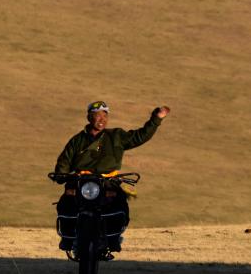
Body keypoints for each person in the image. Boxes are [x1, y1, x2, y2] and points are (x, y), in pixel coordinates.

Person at [53, 100, 170, 252]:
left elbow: (140, 136)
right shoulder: (77, 140)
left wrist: (156, 118)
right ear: (89, 118)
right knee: (66, 203)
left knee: (120, 204)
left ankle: (113, 238)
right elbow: (65, 160)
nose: (102, 119)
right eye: (97, 116)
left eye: (105, 116)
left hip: (108, 181)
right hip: (81, 181)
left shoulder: (116, 136)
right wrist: (60, 175)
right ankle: (67, 238)